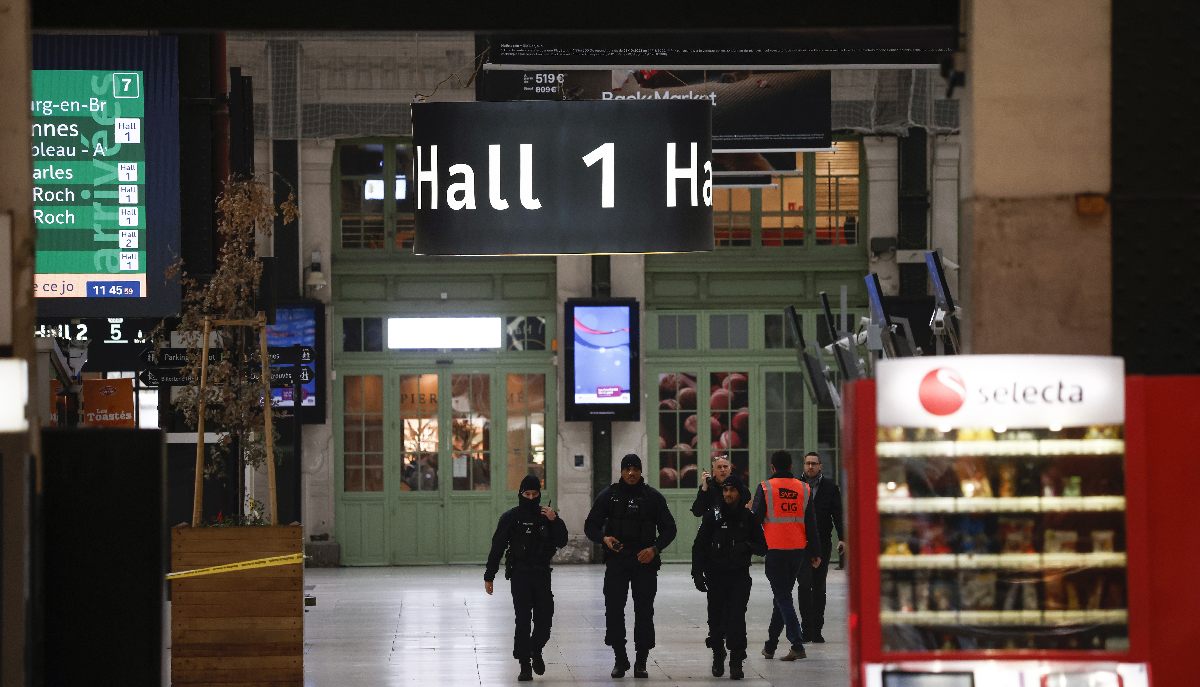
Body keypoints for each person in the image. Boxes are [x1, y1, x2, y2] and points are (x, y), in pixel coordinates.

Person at [585, 453, 678, 679]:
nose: (631, 473)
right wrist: (603, 539)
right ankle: (620, 659)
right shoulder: (609, 496)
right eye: (627, 469)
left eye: (635, 468)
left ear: (640, 470)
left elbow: (669, 529)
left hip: (644, 561)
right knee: (614, 610)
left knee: (644, 611)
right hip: (617, 561)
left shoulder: (653, 497)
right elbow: (591, 525)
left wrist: (654, 549)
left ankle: (641, 661)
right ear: (621, 471)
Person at [484, 474, 569, 682]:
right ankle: (524, 664)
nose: (531, 498)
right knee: (522, 620)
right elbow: (497, 547)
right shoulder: (510, 518)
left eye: (535, 494)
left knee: (544, 620)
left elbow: (562, 540)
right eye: (527, 494)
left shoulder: (547, 516)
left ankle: (535, 649)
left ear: (540, 495)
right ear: (520, 494)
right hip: (520, 575)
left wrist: (555, 520)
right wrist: (490, 575)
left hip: (541, 574)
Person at [691, 476, 767, 680]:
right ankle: (718, 654)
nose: (728, 495)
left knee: (736, 619)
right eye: (725, 491)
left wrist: (748, 546)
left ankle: (735, 660)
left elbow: (763, 547)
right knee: (715, 621)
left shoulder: (749, 518)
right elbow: (699, 546)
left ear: (739, 493)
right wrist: (697, 573)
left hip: (738, 577)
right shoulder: (712, 517)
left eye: (732, 491)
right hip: (715, 576)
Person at [752, 450, 821, 661]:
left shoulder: (765, 487)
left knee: (782, 597)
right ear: (791, 467)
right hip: (797, 552)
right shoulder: (804, 488)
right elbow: (811, 522)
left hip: (774, 551)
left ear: (772, 467)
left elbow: (754, 521)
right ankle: (770, 646)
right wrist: (816, 551)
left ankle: (797, 644)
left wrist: (752, 547)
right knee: (780, 598)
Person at [800, 451, 845, 643]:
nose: (810, 467)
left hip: (823, 542)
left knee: (818, 587)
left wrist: (843, 537)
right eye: (808, 463)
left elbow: (838, 514)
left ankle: (816, 630)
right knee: (804, 586)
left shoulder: (829, 488)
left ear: (820, 466)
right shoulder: (796, 485)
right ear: (804, 465)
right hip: (801, 543)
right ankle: (806, 629)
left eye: (814, 464)